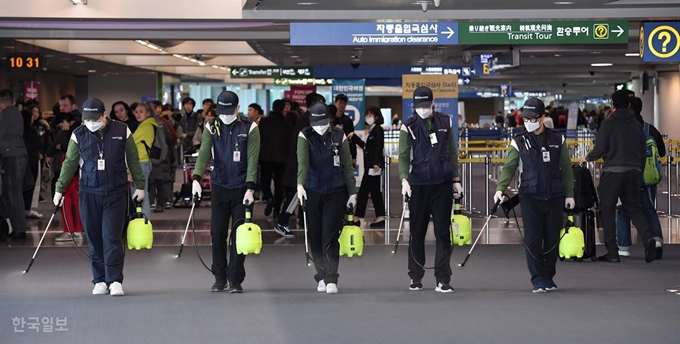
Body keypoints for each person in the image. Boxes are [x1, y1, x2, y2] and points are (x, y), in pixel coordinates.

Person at [53, 98, 145, 296]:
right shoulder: (79, 134)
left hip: (116, 192)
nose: (90, 123)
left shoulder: (122, 131)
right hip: (89, 192)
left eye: (94, 119)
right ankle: (100, 279)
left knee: (111, 237)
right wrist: (59, 189)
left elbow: (133, 158)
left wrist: (140, 185)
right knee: (94, 238)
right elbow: (70, 163)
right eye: (87, 120)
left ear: (104, 115)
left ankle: (114, 280)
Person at [494, 97, 574, 293]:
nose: (528, 122)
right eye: (525, 118)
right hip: (530, 197)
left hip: (554, 196)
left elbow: (566, 168)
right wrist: (500, 189)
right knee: (533, 239)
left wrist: (570, 194)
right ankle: (537, 278)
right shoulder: (518, 141)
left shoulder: (557, 139)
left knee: (552, 239)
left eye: (532, 118)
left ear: (542, 118)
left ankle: (549, 276)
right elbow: (509, 167)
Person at [192, 91, 260, 293]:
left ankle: (235, 278)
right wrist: (196, 178)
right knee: (218, 233)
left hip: (241, 188)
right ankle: (219, 277)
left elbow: (253, 160)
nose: (225, 115)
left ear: (237, 108)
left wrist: (250, 187)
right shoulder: (211, 127)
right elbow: (204, 152)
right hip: (220, 186)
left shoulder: (250, 128)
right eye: (221, 112)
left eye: (229, 111)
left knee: (240, 235)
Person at [578, 90, 657, 263]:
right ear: (628, 105)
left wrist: (586, 158)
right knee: (634, 209)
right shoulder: (636, 124)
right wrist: (638, 171)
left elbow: (600, 149)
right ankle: (648, 239)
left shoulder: (609, 123)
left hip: (613, 173)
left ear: (613, 106)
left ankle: (612, 252)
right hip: (633, 172)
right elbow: (642, 152)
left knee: (607, 210)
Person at [398, 86, 462, 293]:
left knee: (443, 232)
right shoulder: (408, 126)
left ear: (433, 102)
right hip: (419, 185)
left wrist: (456, 178)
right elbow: (404, 155)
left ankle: (443, 278)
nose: (422, 109)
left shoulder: (446, 121)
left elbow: (452, 151)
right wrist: (404, 180)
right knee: (417, 232)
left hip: (442, 184)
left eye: (426, 105)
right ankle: (415, 276)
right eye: (419, 106)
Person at [297, 103, 356, 294]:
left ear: (329, 119)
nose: (319, 125)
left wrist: (353, 192)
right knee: (315, 235)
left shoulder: (339, 136)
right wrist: (300, 184)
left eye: (323, 121)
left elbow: (347, 165)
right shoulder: (305, 135)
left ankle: (332, 277)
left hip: (335, 191)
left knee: (329, 234)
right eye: (316, 122)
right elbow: (303, 162)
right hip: (312, 190)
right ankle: (321, 275)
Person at [616, 97, 666, 259]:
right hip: (647, 177)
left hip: (626, 176)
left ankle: (623, 247)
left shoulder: (622, 128)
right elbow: (662, 152)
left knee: (623, 210)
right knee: (649, 209)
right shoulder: (649, 129)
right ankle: (657, 240)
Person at [279, 93, 326, 237]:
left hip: (302, 164)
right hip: (301, 165)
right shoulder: (306, 120)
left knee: (299, 194)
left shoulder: (306, 119)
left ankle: (289, 221)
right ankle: (283, 222)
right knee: (295, 194)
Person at [50, 112, 85, 242]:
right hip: (78, 172)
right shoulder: (81, 128)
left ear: (66, 121)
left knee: (66, 201)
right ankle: (78, 230)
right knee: (76, 201)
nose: (62, 128)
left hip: (71, 171)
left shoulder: (72, 132)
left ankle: (68, 231)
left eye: (61, 125)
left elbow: (70, 151)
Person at [0, 89, 29, 240]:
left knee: (12, 194)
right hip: (18, 154)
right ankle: (17, 227)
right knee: (12, 193)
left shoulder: (5, 114)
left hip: (12, 156)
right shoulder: (16, 112)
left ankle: (18, 229)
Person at [352, 106, 386, 228]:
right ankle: (381, 217)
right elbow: (367, 147)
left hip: (373, 166)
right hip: (371, 166)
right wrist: (355, 138)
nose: (368, 117)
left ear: (377, 117)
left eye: (371, 114)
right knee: (375, 191)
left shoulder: (378, 130)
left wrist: (376, 162)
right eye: (367, 114)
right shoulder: (372, 130)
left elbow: (378, 147)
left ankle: (357, 217)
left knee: (363, 192)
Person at [259, 99, 292, 221]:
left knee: (264, 183)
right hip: (282, 159)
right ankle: (277, 211)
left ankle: (269, 198)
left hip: (266, 157)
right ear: (283, 108)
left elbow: (259, 139)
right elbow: (290, 142)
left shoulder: (264, 121)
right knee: (279, 186)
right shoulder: (286, 123)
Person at [132, 102, 158, 218]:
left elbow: (130, 141)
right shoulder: (149, 124)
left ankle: (144, 220)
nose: (138, 114)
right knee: (141, 192)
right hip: (143, 162)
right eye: (136, 112)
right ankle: (143, 219)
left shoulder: (145, 126)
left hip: (141, 163)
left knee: (141, 193)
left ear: (148, 113)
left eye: (141, 112)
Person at [332, 94, 358, 166]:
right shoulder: (330, 119)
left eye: (344, 103)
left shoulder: (348, 121)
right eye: (340, 102)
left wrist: (354, 156)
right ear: (335, 103)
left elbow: (352, 139)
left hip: (343, 153)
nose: (342, 105)